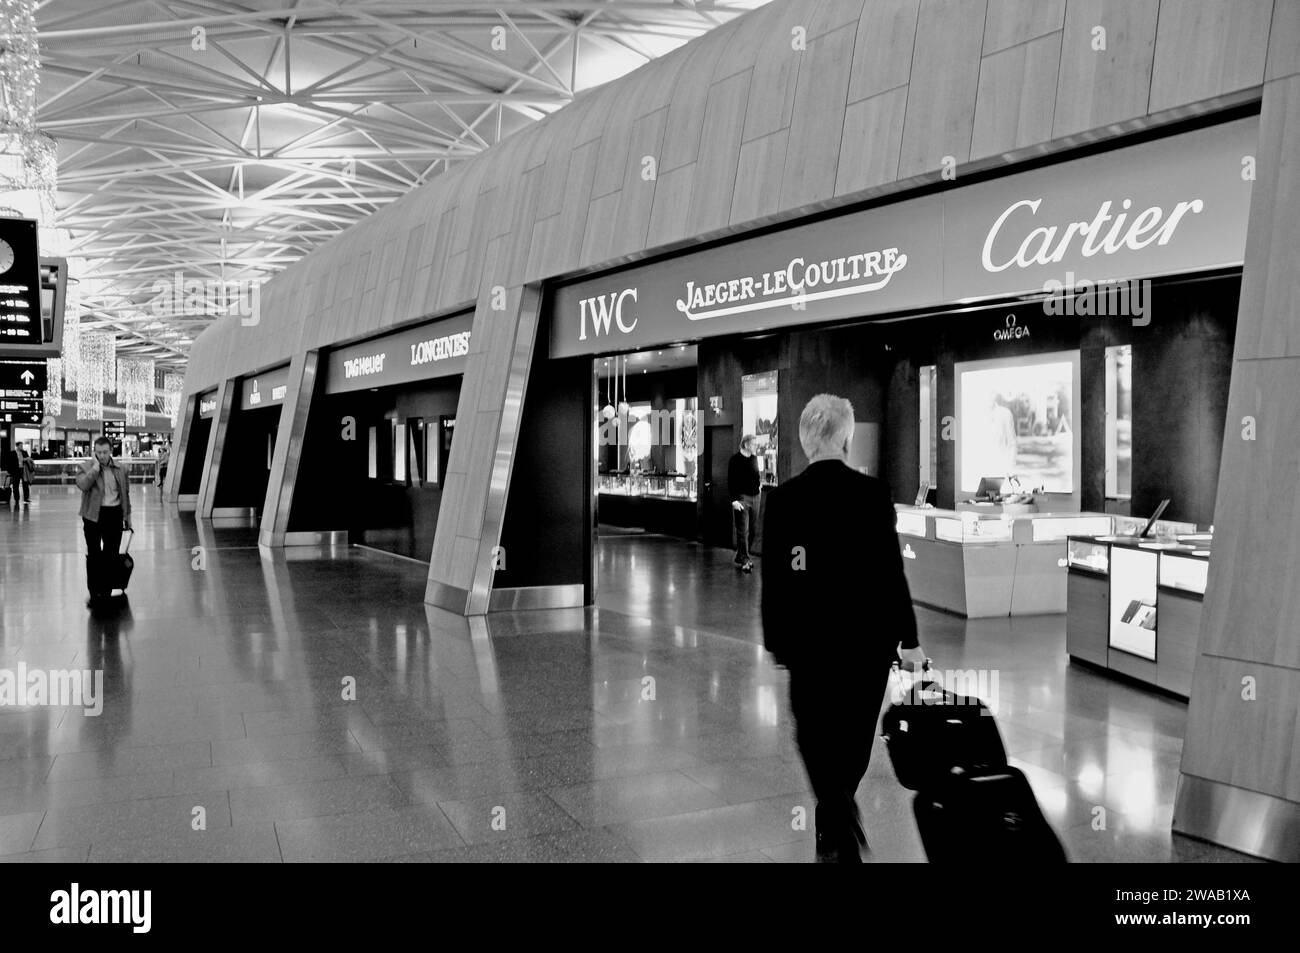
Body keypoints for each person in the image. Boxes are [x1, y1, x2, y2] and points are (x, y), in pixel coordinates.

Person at [761, 394, 927, 863]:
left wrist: (778, 642)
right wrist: (908, 640)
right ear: (847, 439)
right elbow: (891, 574)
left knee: (812, 734)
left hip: (808, 646)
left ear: (806, 441)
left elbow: (775, 579)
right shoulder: (872, 496)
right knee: (854, 740)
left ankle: (834, 823)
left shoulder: (785, 500)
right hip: (866, 646)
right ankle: (839, 820)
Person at [76, 438, 133, 606]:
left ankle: (106, 590)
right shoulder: (85, 467)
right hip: (93, 515)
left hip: (113, 514)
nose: (101, 456)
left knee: (111, 554)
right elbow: (83, 485)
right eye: (98, 452)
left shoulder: (121, 469)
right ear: (94, 451)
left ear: (110, 451)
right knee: (93, 554)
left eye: (105, 452)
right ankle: (94, 591)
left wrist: (127, 516)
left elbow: (125, 494)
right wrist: (95, 468)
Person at [727, 434, 760, 572]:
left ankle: (740, 555)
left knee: (752, 530)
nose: (756, 447)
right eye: (754, 444)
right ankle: (745, 560)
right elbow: (730, 481)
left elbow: (757, 474)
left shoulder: (754, 458)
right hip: (742, 498)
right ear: (746, 444)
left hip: (756, 497)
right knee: (743, 531)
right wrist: (733, 500)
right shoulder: (734, 460)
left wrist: (759, 485)